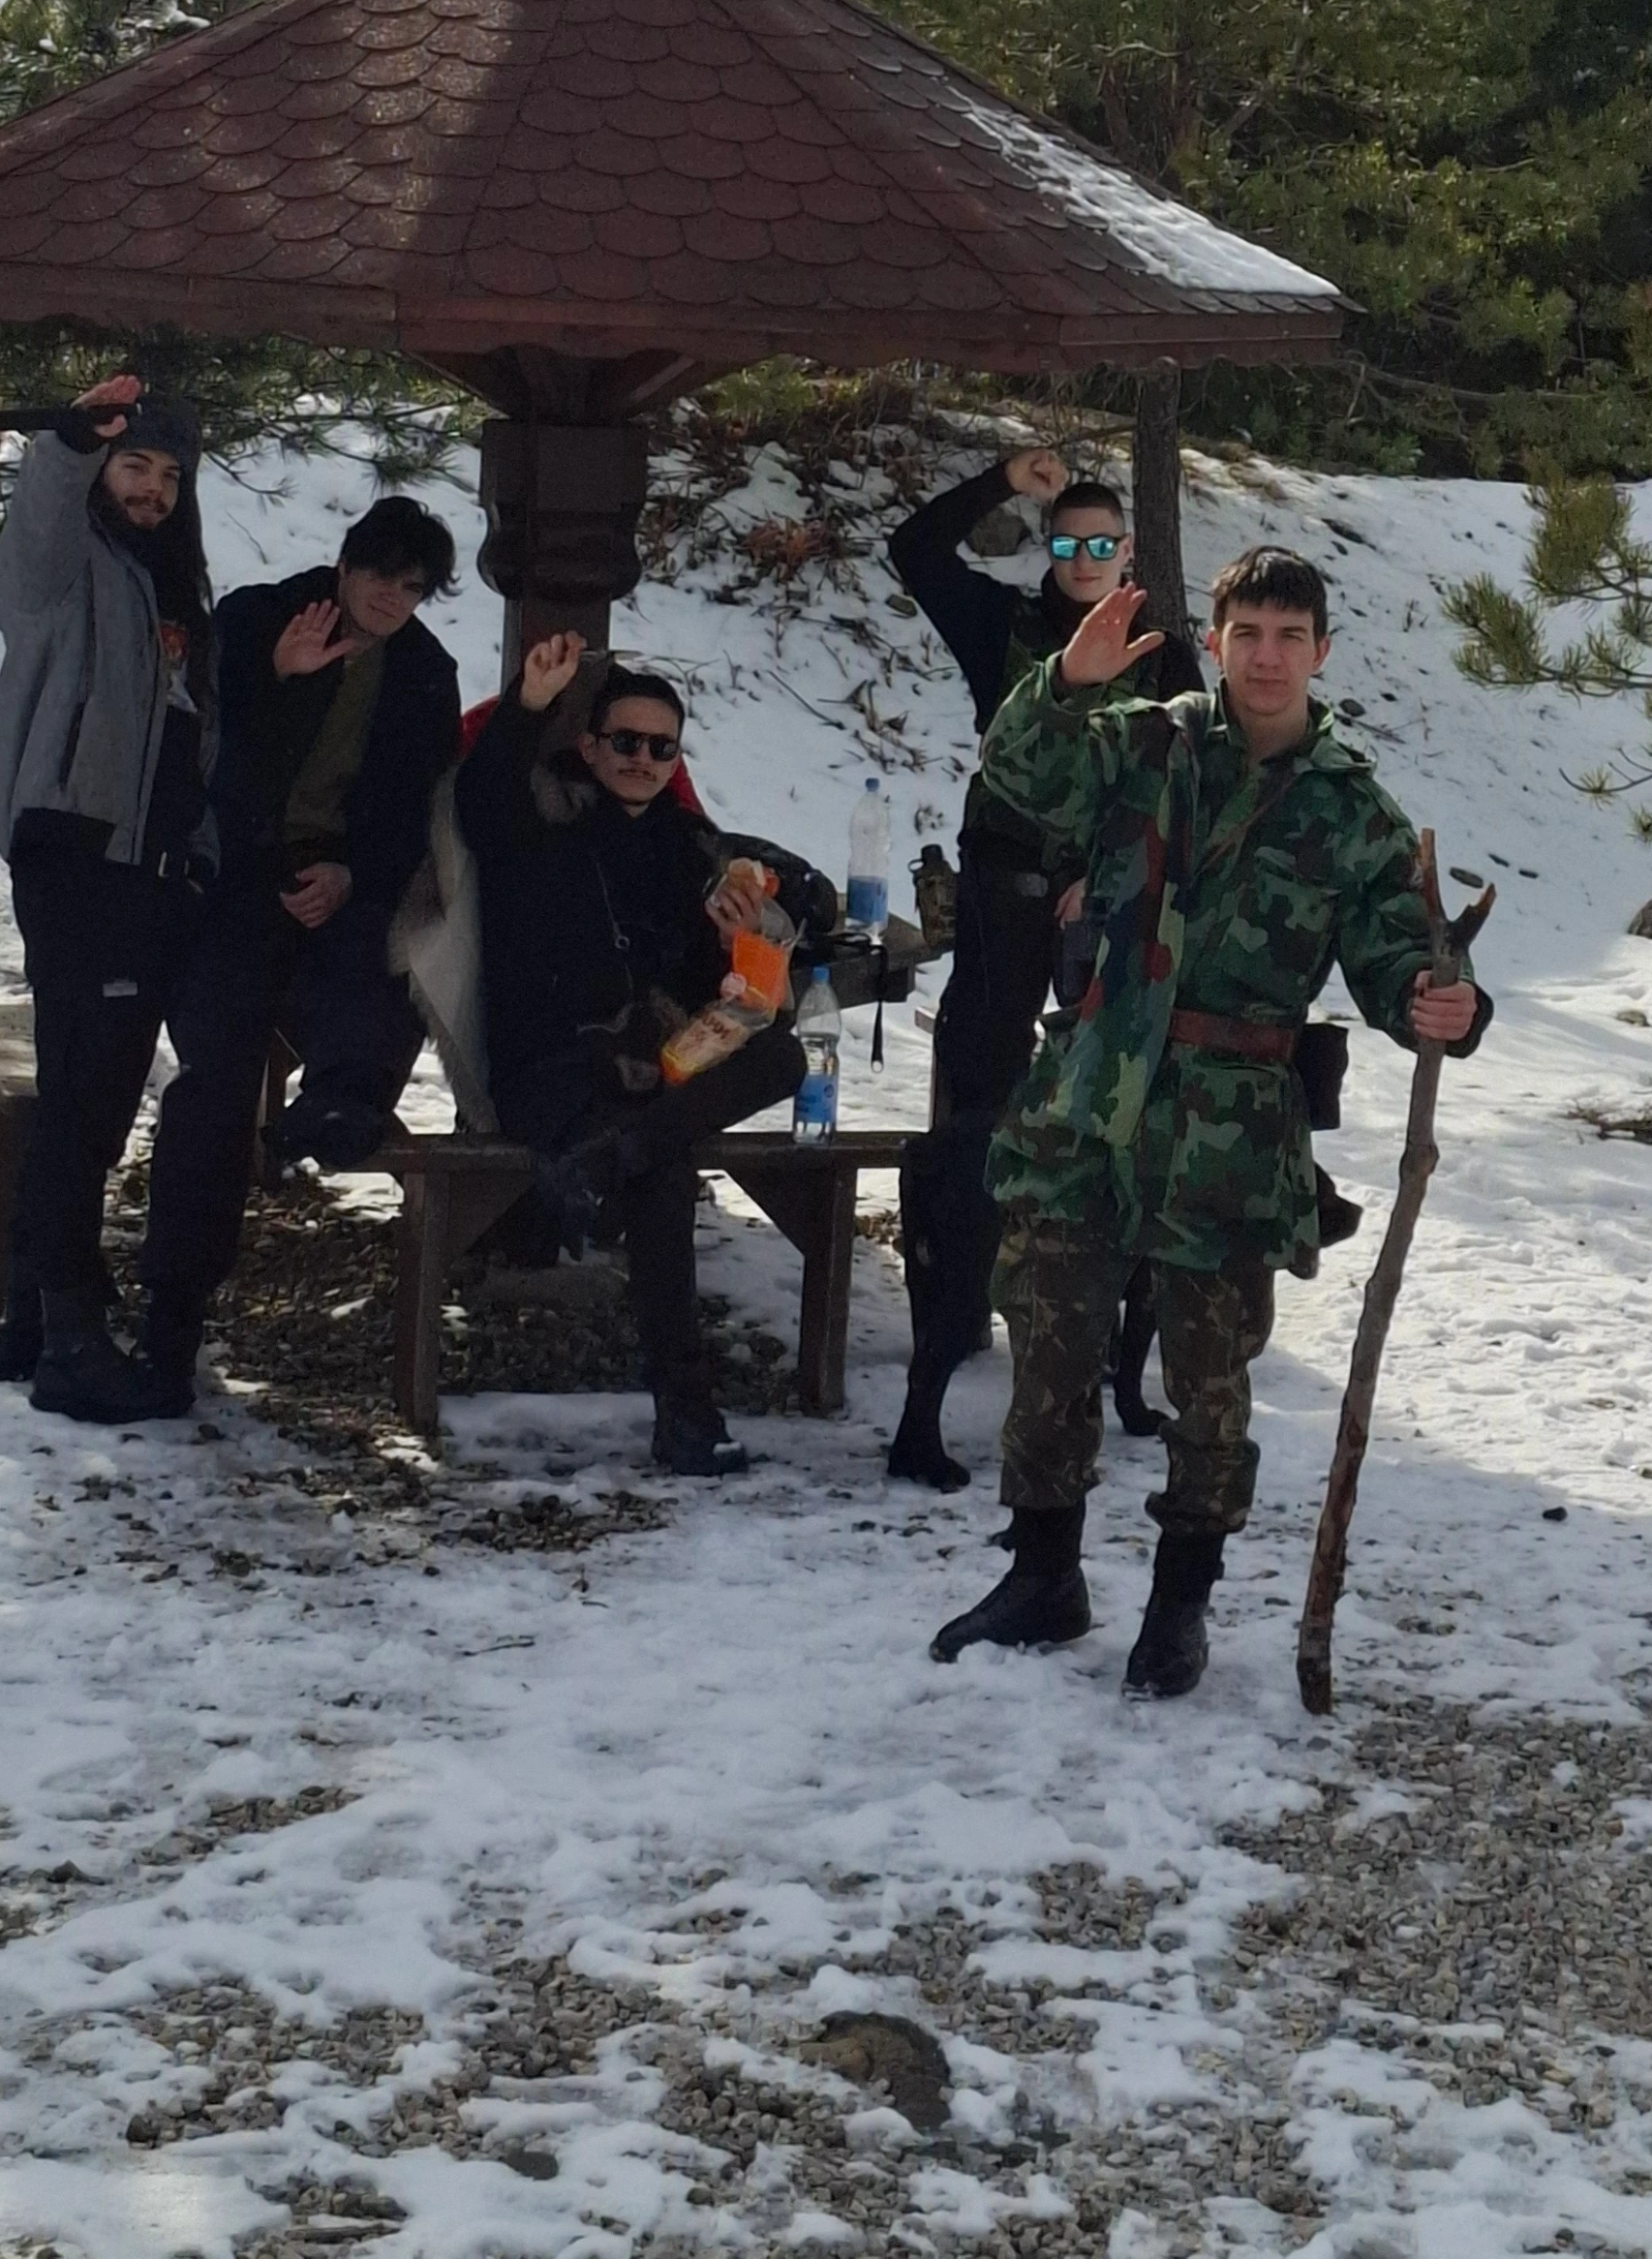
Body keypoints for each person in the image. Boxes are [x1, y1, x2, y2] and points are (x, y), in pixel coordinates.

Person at [933, 545, 1489, 1699]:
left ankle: (1179, 1604)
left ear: (1321, 651)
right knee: (1048, 1335)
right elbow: (1020, 779)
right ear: (1221, 642)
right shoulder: (1146, 743)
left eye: (1291, 637)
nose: (1268, 658)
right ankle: (1043, 1573)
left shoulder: (1353, 810)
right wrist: (1067, 684)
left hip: (1230, 1124)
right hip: (1093, 1093)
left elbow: (1398, 962)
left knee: (1210, 1376)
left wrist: (1443, 1004)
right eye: (1249, 635)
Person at [884, 445, 1202, 1490]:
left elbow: (1179, 781)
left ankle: (1125, 1380)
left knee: (1130, 1137)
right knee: (975, 1135)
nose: (1083, 558)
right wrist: (1001, 483)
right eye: (1066, 542)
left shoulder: (1166, 649)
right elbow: (912, 549)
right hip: (1005, 898)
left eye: (1103, 544)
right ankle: (929, 1393)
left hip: (1112, 915)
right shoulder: (1003, 626)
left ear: (1128, 554)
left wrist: (1108, 877)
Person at [456, 642, 840, 1477]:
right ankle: (686, 1413)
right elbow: (482, 800)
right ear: (592, 747)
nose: (643, 761)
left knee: (779, 1060)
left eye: (662, 748)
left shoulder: (691, 847)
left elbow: (720, 995)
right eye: (626, 743)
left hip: (653, 1071)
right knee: (660, 1173)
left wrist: (734, 939)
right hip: (554, 1063)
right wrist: (529, 704)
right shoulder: (545, 814)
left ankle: (610, 1160)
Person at [125, 495, 467, 1410]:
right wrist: (280, 679)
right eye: (381, 577)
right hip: (233, 873)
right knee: (215, 1075)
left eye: (414, 587)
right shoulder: (259, 617)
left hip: (341, 881)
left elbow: (412, 812)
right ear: (346, 565)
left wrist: (352, 872)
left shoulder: (426, 672)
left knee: (393, 965)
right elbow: (204, 761)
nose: (393, 599)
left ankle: (340, 1108)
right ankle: (172, 1310)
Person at [0, 370, 218, 1423]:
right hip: (75, 858)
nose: (153, 488)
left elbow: (188, 739)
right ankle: (74, 1340)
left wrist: (199, 850)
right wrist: (69, 444)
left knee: (90, 1101)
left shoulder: (171, 589)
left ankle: (33, 1319)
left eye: (169, 473)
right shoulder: (65, 569)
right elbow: (29, 538)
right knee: (84, 1107)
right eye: (136, 466)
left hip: (148, 878)